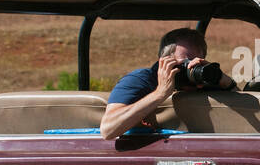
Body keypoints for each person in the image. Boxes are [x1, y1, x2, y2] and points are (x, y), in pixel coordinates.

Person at [99, 28, 236, 140]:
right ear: (164, 62)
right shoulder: (141, 80)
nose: (191, 69)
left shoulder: (204, 82)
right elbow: (108, 130)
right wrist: (160, 93)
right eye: (185, 63)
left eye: (196, 63)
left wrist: (224, 81)